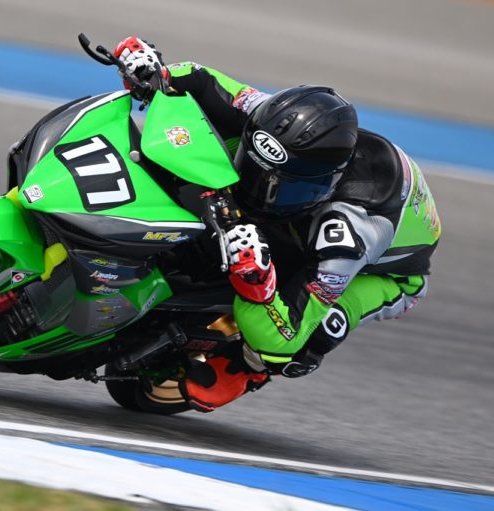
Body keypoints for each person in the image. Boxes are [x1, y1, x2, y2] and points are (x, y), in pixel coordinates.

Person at [113, 37, 442, 413]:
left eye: (279, 187)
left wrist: (258, 282)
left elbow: (285, 336)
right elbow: (202, 79)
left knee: (308, 338)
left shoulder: (345, 236)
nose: (257, 190)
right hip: (314, 194)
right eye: (256, 172)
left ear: (325, 185)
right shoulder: (271, 120)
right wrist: (155, 72)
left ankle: (246, 370)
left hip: (385, 275)